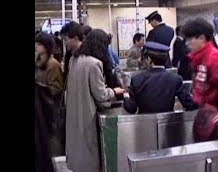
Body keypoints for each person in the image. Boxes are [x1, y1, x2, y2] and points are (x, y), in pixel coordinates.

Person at [66, 29, 125, 172]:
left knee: (78, 152)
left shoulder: (74, 59)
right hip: (88, 116)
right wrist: (115, 91)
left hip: (74, 114)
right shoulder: (94, 64)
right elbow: (101, 95)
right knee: (89, 155)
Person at [123, 41, 198, 114]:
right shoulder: (175, 79)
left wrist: (126, 96)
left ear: (149, 59)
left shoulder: (136, 79)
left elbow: (131, 108)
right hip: (168, 124)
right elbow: (190, 104)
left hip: (144, 124)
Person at [35, 32, 65, 156]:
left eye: (39, 44)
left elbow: (57, 88)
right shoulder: (38, 62)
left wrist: (41, 88)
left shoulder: (53, 64)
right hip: (40, 106)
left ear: (46, 46)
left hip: (50, 108)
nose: (36, 46)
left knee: (52, 139)